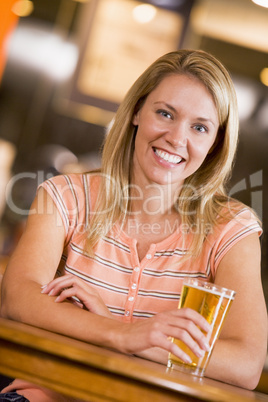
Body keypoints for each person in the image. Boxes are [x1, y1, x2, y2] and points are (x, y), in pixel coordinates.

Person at [1, 49, 267, 401]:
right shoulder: (64, 195)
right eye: (165, 113)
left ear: (215, 142)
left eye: (199, 127)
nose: (176, 137)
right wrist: (122, 335)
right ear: (137, 111)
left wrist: (128, 334)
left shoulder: (231, 229)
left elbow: (246, 364)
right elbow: (17, 299)